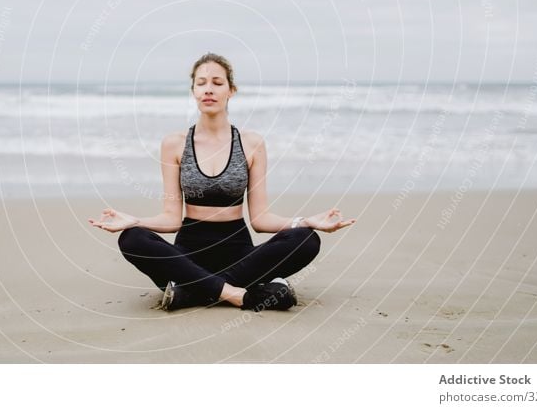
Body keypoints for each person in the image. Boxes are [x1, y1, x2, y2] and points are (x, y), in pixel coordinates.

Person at [88, 53, 356, 311]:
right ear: (193, 91)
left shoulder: (251, 144)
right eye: (201, 83)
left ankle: (192, 291)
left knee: (307, 240)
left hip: (240, 254)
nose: (209, 89)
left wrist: (307, 221)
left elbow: (261, 220)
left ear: (231, 90)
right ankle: (240, 293)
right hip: (187, 256)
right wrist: (134, 221)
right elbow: (171, 219)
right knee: (132, 239)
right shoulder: (174, 144)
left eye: (217, 83)